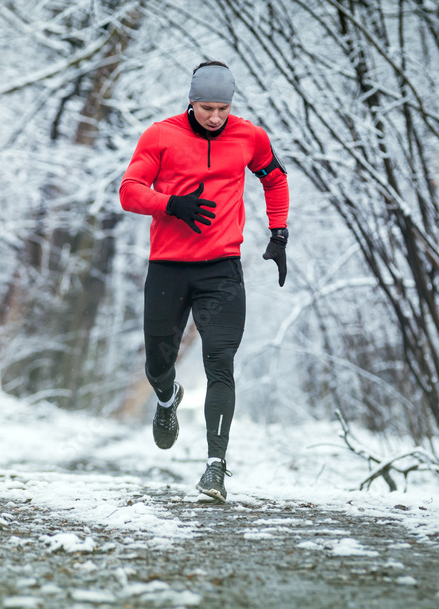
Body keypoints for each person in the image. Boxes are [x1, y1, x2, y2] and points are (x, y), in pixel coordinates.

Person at [119, 60, 290, 502]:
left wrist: (279, 232)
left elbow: (275, 179)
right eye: (207, 107)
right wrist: (172, 204)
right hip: (168, 266)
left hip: (221, 269)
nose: (216, 117)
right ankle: (166, 397)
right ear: (191, 102)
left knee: (220, 363)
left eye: (223, 108)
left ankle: (215, 466)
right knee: (158, 360)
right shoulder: (160, 135)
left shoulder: (249, 136)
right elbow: (129, 190)